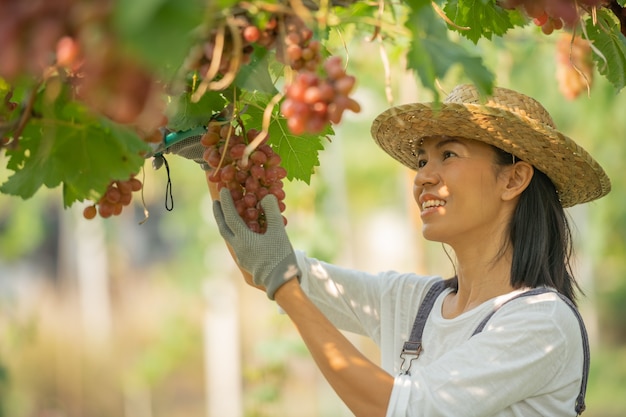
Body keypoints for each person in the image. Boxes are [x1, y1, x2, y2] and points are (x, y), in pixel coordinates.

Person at [163, 84, 611, 416]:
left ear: (513, 179)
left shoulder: (541, 321)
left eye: (448, 155)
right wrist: (220, 160)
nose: (422, 177)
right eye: (422, 161)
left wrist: (286, 288)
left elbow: (407, 410)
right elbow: (264, 266)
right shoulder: (413, 303)